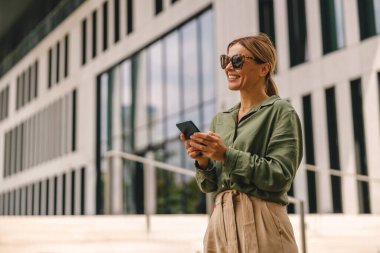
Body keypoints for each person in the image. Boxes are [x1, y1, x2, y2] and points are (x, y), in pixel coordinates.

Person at [180, 33, 303, 253]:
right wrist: (204, 162)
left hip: (263, 222)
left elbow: (280, 176)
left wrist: (226, 155)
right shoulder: (221, 119)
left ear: (263, 68)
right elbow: (209, 186)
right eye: (225, 61)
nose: (228, 67)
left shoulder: (281, 112)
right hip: (220, 225)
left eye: (237, 61)